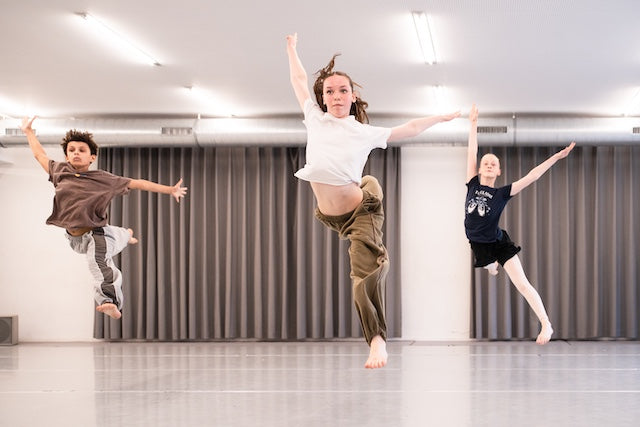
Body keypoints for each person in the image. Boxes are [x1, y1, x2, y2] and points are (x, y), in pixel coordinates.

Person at [286, 33, 460, 368]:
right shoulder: (314, 118)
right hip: (330, 215)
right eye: (329, 91)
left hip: (361, 211)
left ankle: (377, 341)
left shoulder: (363, 132)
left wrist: (439, 118)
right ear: (323, 98)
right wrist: (292, 49)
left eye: (343, 90)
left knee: (362, 277)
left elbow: (409, 128)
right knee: (369, 184)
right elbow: (297, 79)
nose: (336, 96)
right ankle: (374, 216)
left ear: (352, 97)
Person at [20, 116, 187, 320]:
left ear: (92, 157)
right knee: (114, 238)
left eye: (82, 150)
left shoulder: (104, 179)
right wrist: (29, 132)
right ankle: (127, 235)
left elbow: (138, 183)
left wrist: (169, 190)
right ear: (66, 155)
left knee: (98, 261)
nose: (76, 153)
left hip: (95, 233)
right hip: (74, 240)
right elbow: (39, 155)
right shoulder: (59, 172)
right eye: (72, 150)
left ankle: (110, 302)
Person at [465, 104, 574, 345]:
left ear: (499, 171)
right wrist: (473, 124)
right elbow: (472, 151)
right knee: (489, 266)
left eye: (494, 163)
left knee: (522, 284)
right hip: (477, 243)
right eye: (486, 162)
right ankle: (492, 266)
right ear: (480, 168)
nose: (489, 165)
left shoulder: (502, 193)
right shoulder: (472, 183)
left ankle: (546, 324)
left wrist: (556, 157)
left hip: (498, 242)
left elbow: (532, 176)